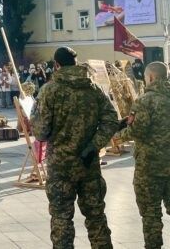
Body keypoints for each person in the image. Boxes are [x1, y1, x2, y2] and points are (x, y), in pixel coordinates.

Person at [32, 47, 118, 248]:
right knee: (96, 217)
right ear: (76, 63)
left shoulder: (50, 90)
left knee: (62, 219)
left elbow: (41, 132)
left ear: (56, 65)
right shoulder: (93, 88)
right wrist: (93, 145)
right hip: (89, 165)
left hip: (61, 168)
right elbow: (111, 120)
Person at [119, 62, 170, 249]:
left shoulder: (145, 101)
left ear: (151, 77)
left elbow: (137, 131)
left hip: (148, 168)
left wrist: (118, 134)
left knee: (151, 214)